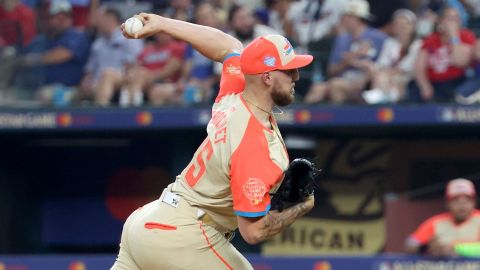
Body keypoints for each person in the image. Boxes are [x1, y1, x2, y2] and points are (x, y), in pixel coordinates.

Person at [111, 12, 315, 270]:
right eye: (289, 70)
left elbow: (228, 47)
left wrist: (163, 24)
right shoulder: (253, 144)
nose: (296, 76)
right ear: (267, 77)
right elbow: (253, 232)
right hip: (183, 234)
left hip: (147, 223)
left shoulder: (236, 93)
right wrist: (302, 207)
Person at [304, 0, 386, 104]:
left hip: (365, 82)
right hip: (343, 79)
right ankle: (294, 117)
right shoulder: (342, 39)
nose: (344, 19)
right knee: (318, 88)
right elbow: (331, 70)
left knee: (335, 86)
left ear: (357, 18)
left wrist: (354, 61)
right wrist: (349, 60)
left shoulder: (378, 38)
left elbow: (384, 64)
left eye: (348, 16)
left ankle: (344, 119)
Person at [80, 7, 143, 106]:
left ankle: (101, 112)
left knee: (107, 75)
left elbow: (136, 62)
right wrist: (86, 81)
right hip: (97, 84)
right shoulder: (98, 44)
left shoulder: (128, 36)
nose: (97, 22)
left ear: (110, 18)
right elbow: (89, 70)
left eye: (100, 18)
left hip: (123, 78)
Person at [412, 6, 475, 103]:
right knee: (413, 91)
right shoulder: (431, 39)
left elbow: (458, 61)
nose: (453, 22)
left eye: (456, 18)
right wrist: (425, 86)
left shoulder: (466, 36)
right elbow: (419, 67)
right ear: (441, 21)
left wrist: (454, 36)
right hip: (433, 82)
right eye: (450, 18)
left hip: (455, 82)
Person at [405, 178, 480, 256]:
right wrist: (427, 248)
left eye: (467, 200)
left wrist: (455, 249)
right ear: (447, 203)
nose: (462, 205)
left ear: (474, 202)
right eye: (456, 200)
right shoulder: (436, 222)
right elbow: (411, 243)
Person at [362, 9, 422, 104]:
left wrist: (390, 71)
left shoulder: (418, 44)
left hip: (409, 79)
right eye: (398, 24)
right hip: (388, 76)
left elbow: (409, 68)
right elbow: (381, 63)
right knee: (380, 76)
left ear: (412, 26)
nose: (401, 27)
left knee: (384, 77)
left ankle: (380, 96)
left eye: (405, 24)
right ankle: (384, 97)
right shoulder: (389, 43)